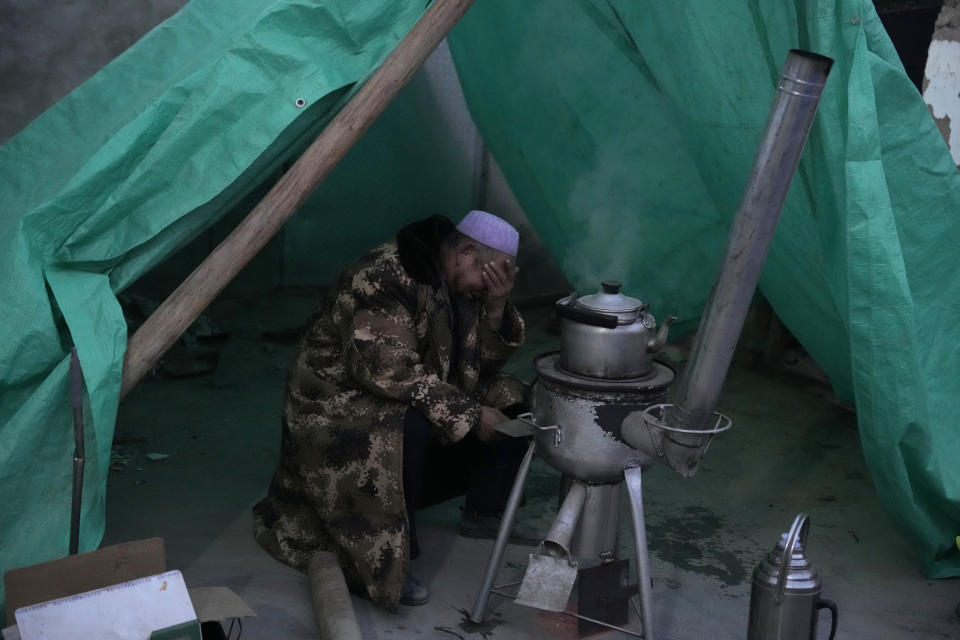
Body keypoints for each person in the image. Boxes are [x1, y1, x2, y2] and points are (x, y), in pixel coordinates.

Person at [253, 210, 538, 611]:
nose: (485, 288)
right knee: (414, 424)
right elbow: (387, 369)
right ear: (466, 251)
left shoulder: (462, 281)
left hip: (405, 384)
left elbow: (481, 367)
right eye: (487, 278)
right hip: (337, 404)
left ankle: (487, 510)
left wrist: (495, 307)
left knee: (515, 397)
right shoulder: (385, 275)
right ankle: (390, 562)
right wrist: (471, 416)